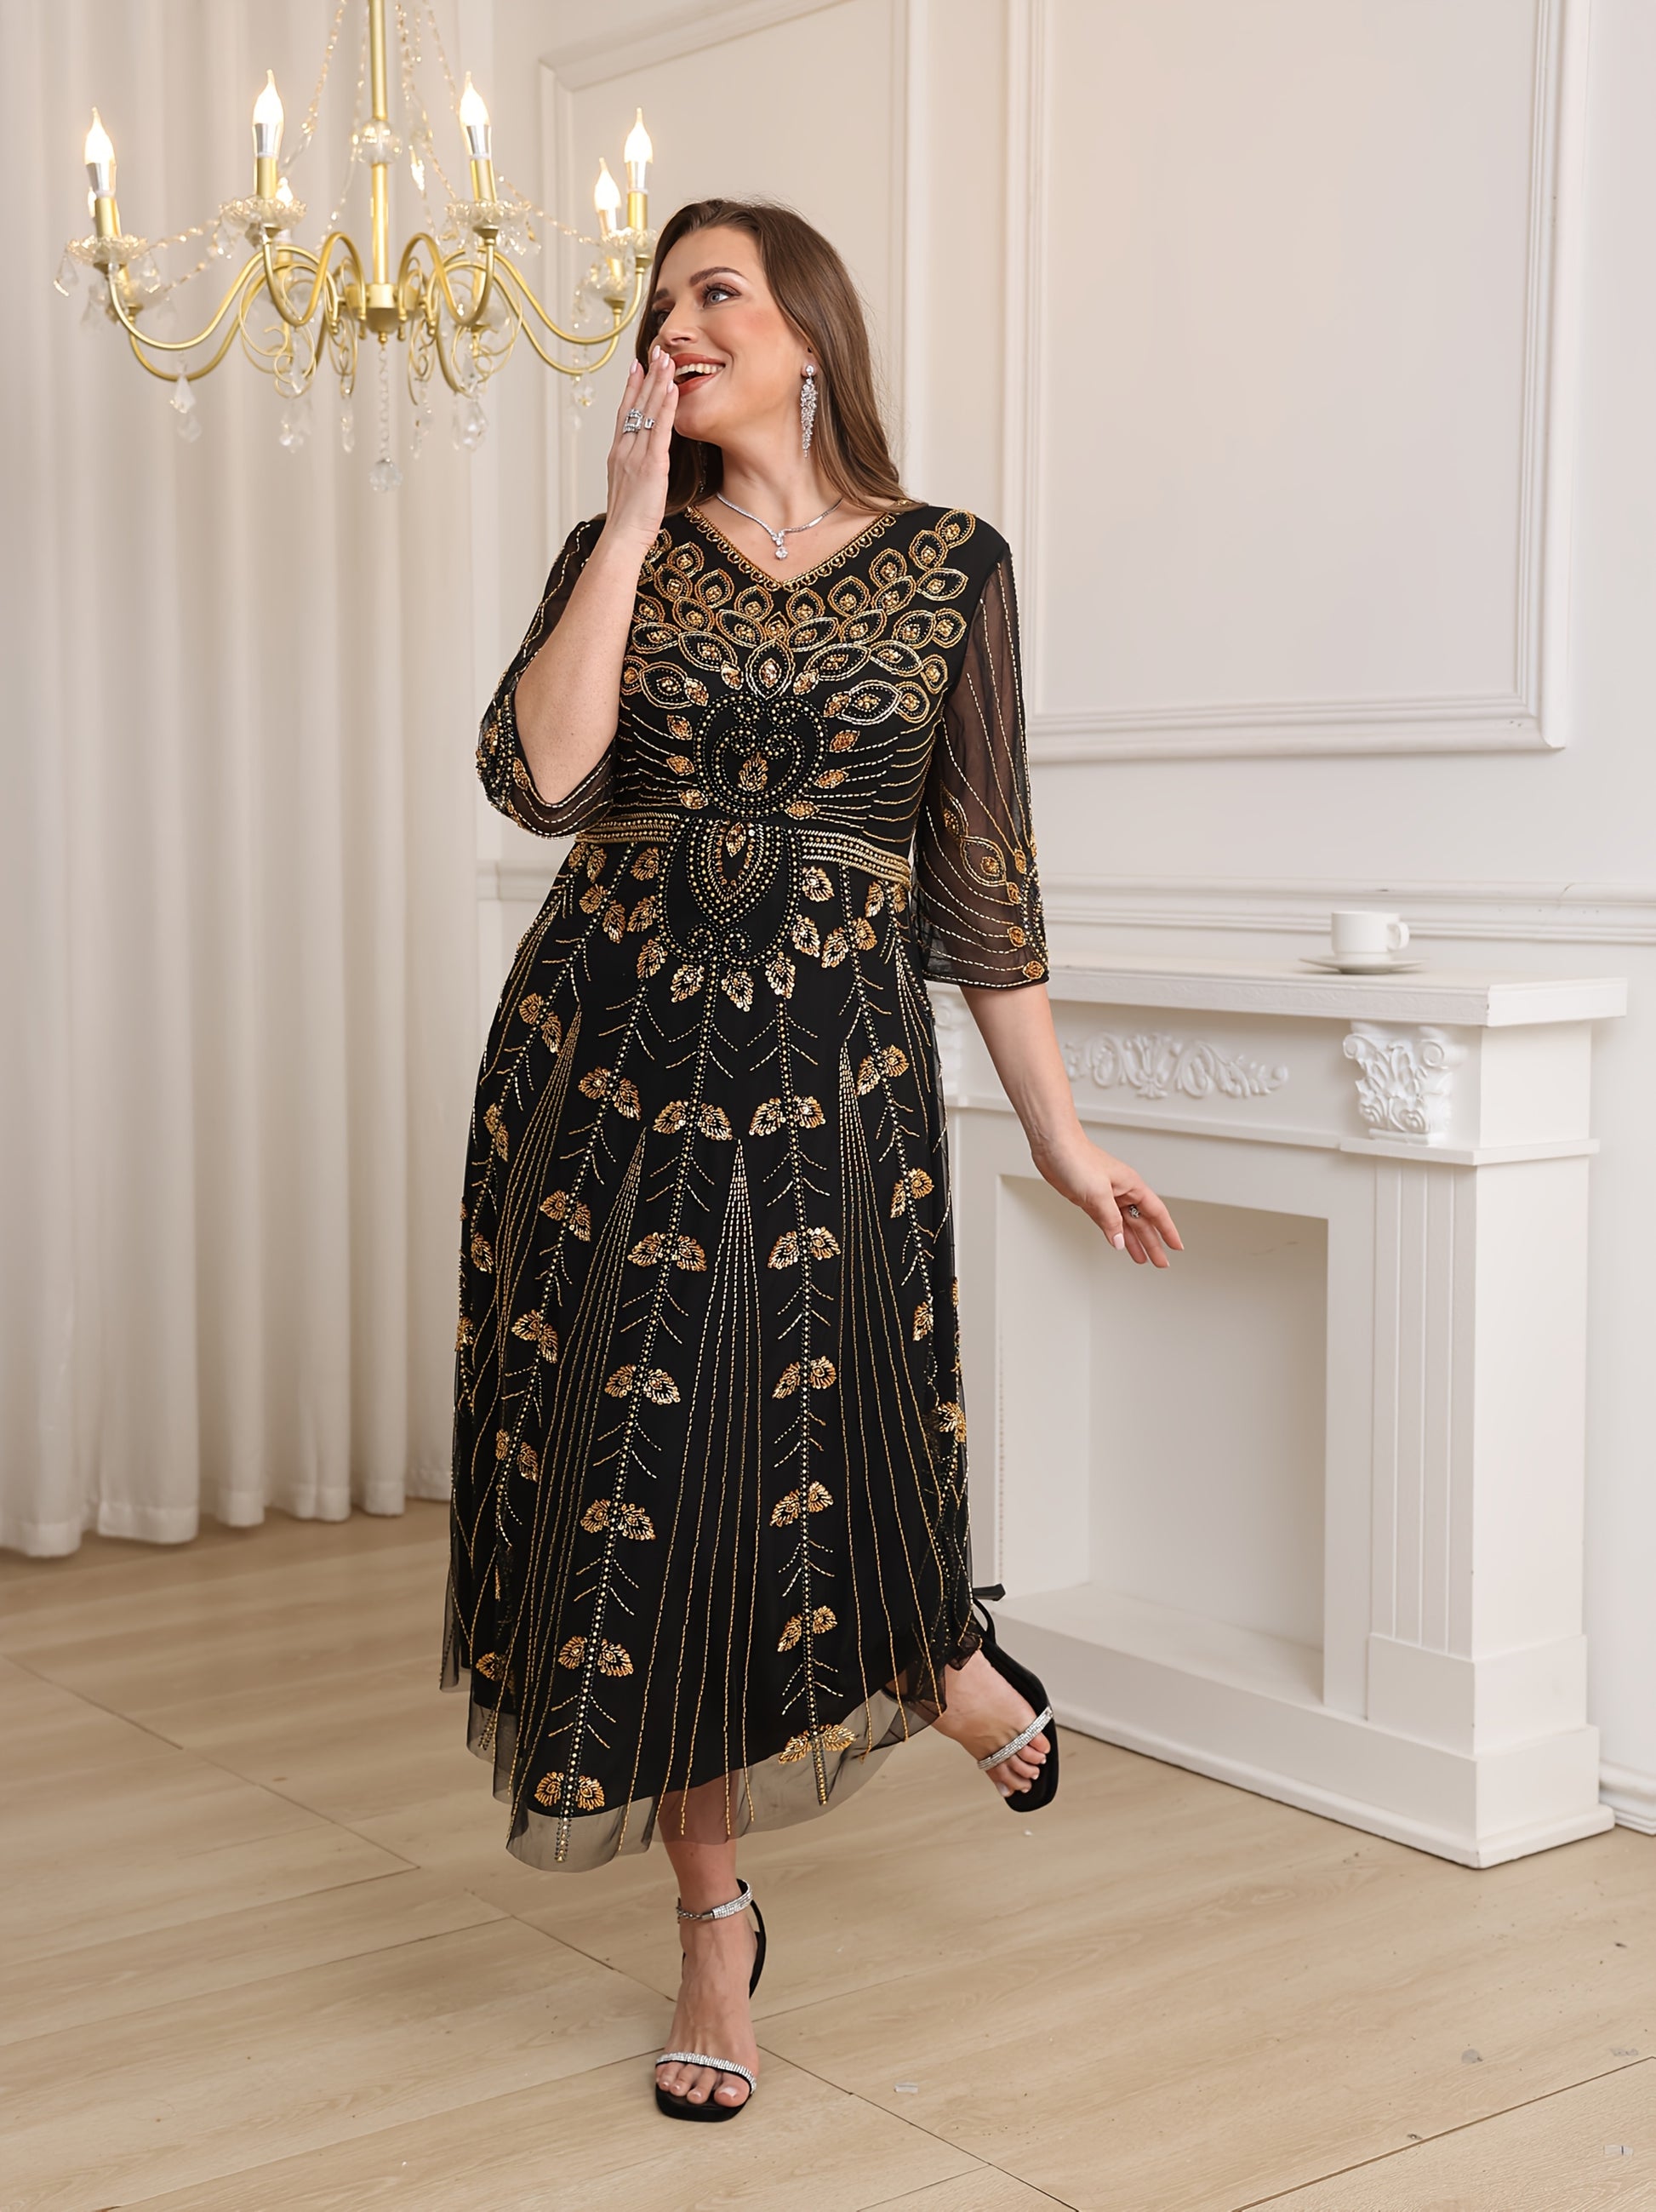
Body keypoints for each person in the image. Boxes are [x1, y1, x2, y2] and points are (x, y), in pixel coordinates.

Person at [441, 197, 1182, 2121]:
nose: (675, 326)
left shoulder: (949, 566)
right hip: (601, 1071)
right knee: (654, 1492)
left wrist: (1063, 1136)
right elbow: (539, 780)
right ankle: (714, 1925)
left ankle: (934, 1660)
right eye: (657, 303)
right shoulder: (621, 546)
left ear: (809, 335)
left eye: (717, 293)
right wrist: (623, 526)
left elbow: (983, 882)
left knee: (828, 1426)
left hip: (832, 1073)